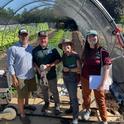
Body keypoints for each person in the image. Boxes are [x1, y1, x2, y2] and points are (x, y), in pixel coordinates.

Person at [81, 30, 112, 124]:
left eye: (94, 36)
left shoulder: (102, 51)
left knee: (100, 99)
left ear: (97, 38)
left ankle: (104, 119)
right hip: (85, 77)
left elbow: (107, 68)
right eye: (89, 36)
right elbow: (83, 63)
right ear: (87, 39)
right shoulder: (85, 50)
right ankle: (87, 110)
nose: (92, 38)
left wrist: (102, 83)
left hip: (96, 78)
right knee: (86, 96)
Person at [7, 29, 37, 122]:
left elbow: (33, 61)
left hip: (30, 75)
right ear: (18, 36)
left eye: (25, 35)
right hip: (20, 77)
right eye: (22, 35)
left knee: (28, 92)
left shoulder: (31, 48)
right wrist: (14, 77)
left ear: (28, 36)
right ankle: (21, 113)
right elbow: (10, 64)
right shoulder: (13, 48)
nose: (24, 37)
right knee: (21, 96)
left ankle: (26, 105)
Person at [32, 31, 61, 115]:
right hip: (41, 75)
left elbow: (58, 59)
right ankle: (46, 103)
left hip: (51, 74)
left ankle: (57, 104)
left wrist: (50, 65)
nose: (43, 40)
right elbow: (34, 62)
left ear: (47, 39)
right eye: (41, 38)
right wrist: (38, 69)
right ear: (38, 39)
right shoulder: (35, 50)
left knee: (54, 90)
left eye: (44, 38)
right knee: (44, 90)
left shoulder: (53, 49)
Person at [58, 39, 81, 124]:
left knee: (74, 98)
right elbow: (62, 63)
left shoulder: (76, 56)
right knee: (70, 95)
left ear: (71, 46)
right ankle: (71, 109)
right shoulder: (64, 55)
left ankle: (75, 118)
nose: (65, 47)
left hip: (72, 78)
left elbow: (79, 70)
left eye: (67, 45)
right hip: (66, 77)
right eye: (63, 46)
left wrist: (69, 69)